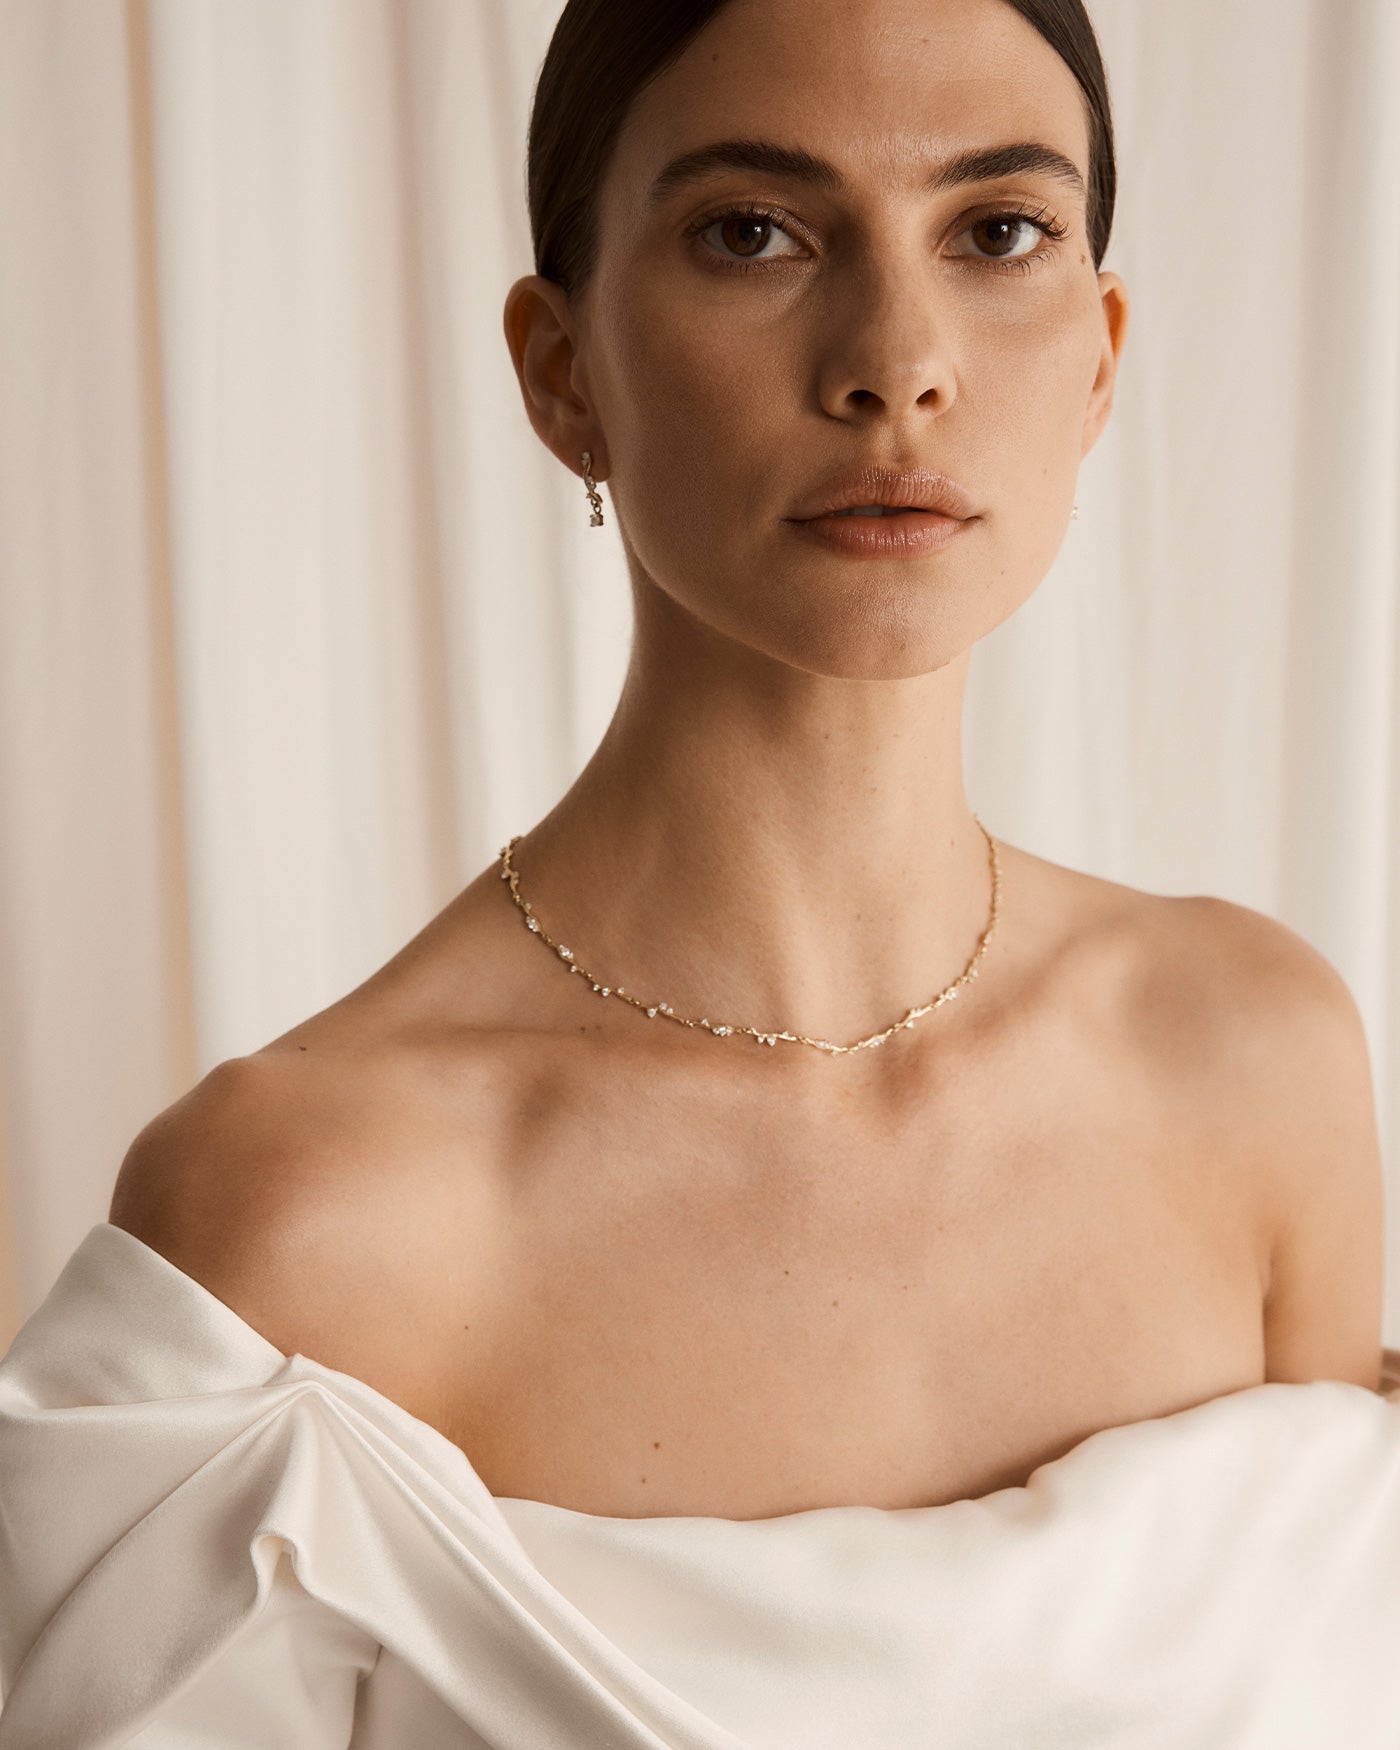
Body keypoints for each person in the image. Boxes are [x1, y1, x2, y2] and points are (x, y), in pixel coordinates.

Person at [2, 0, 1395, 1743]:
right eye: (756, 231)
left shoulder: (1260, 1060)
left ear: (1102, 355)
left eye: (998, 232)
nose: (898, 356)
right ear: (559, 367)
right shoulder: (295, 1226)